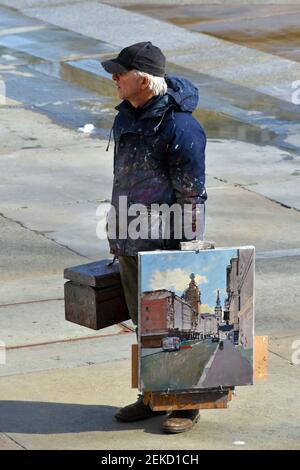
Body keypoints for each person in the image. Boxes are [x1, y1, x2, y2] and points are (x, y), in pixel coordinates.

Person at [101, 41, 207, 434]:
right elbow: (123, 178)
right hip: (131, 238)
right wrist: (116, 231)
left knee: (175, 330)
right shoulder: (126, 117)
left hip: (166, 244)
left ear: (142, 79)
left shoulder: (180, 126)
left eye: (119, 72)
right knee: (144, 325)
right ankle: (153, 395)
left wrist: (187, 250)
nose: (113, 77)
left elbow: (191, 193)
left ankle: (187, 403)